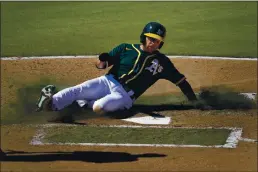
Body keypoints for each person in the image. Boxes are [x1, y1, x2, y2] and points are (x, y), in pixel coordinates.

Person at [36, 22, 200, 119]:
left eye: (157, 41)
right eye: (151, 39)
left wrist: (194, 102)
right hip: (107, 81)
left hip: (124, 96)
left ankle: (82, 104)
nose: (153, 43)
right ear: (144, 37)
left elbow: (181, 82)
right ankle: (51, 104)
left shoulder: (162, 62)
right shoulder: (125, 48)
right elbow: (101, 66)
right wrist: (102, 60)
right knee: (78, 89)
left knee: (99, 107)